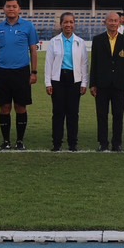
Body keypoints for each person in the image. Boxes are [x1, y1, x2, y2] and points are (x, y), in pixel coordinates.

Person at [0, 0, 39, 151]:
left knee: (20, 107)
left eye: (14, 6)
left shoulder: (28, 26)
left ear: (19, 9)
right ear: (4, 8)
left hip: (21, 72)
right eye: (8, 6)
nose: (11, 9)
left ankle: (20, 141)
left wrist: (34, 72)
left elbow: (33, 50)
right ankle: (6, 141)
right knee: (4, 107)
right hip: (2, 72)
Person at [44, 13, 88, 152]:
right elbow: (49, 63)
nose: (68, 25)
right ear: (61, 24)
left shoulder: (80, 42)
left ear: (74, 24)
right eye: (66, 22)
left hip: (75, 80)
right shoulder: (54, 41)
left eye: (71, 22)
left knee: (73, 113)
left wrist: (84, 83)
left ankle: (72, 144)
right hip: (58, 80)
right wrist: (48, 83)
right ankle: (57, 143)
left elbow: (84, 64)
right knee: (58, 113)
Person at [89, 11, 124, 151]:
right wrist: (93, 84)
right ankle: (103, 143)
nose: (113, 23)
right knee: (101, 115)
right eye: (110, 20)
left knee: (118, 115)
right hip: (102, 84)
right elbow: (94, 63)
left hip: (119, 84)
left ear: (119, 23)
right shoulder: (98, 40)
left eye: (115, 20)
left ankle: (117, 143)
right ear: (105, 22)